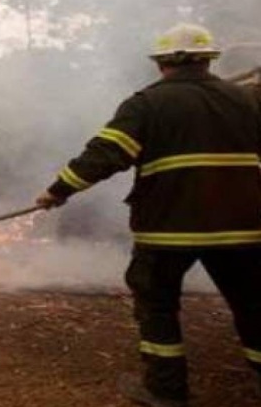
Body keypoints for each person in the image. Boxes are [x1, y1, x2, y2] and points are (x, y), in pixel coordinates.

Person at [37, 23, 261, 407]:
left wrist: (58, 191)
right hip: (242, 227)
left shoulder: (147, 103)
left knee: (157, 305)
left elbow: (105, 154)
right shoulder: (245, 101)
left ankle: (165, 390)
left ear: (162, 64)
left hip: (170, 229)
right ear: (209, 60)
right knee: (254, 304)